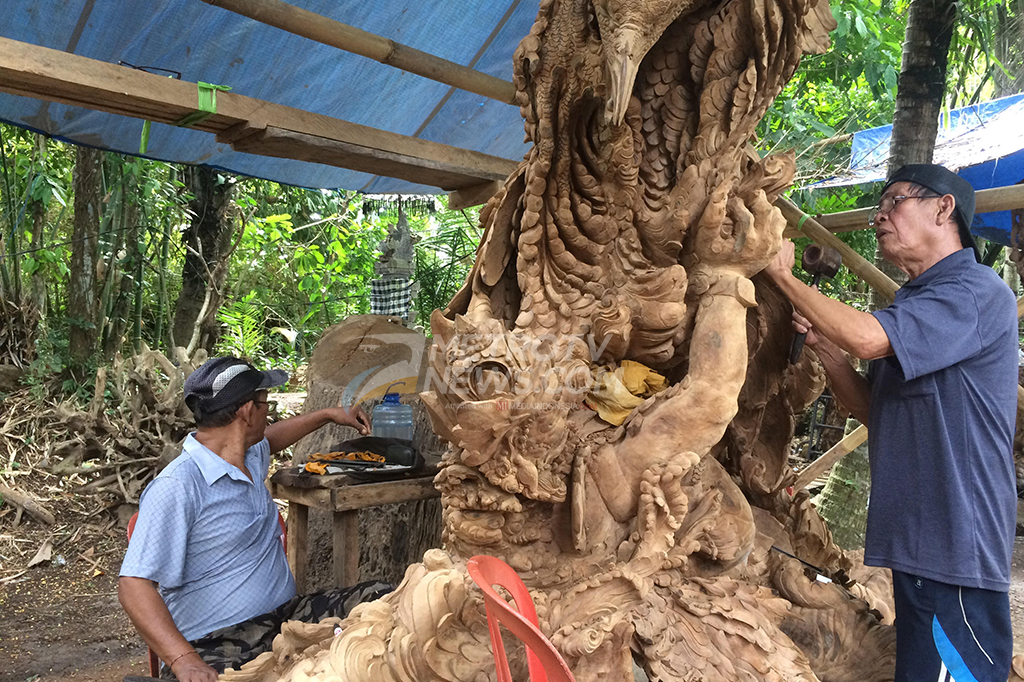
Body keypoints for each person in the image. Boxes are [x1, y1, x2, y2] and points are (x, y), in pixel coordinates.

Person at [764, 164, 1017, 682]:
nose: (880, 215)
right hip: (919, 544)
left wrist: (782, 276)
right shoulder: (915, 304)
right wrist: (829, 356)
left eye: (894, 201)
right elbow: (874, 410)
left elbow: (868, 339)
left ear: (943, 208)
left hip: (957, 546)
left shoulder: (974, 291)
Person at [119, 356, 391, 681]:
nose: (268, 412)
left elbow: (272, 437)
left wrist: (327, 415)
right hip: (219, 641)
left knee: (383, 599)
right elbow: (133, 585)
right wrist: (183, 660)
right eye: (265, 404)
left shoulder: (246, 454)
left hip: (285, 620)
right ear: (247, 411)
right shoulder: (178, 486)